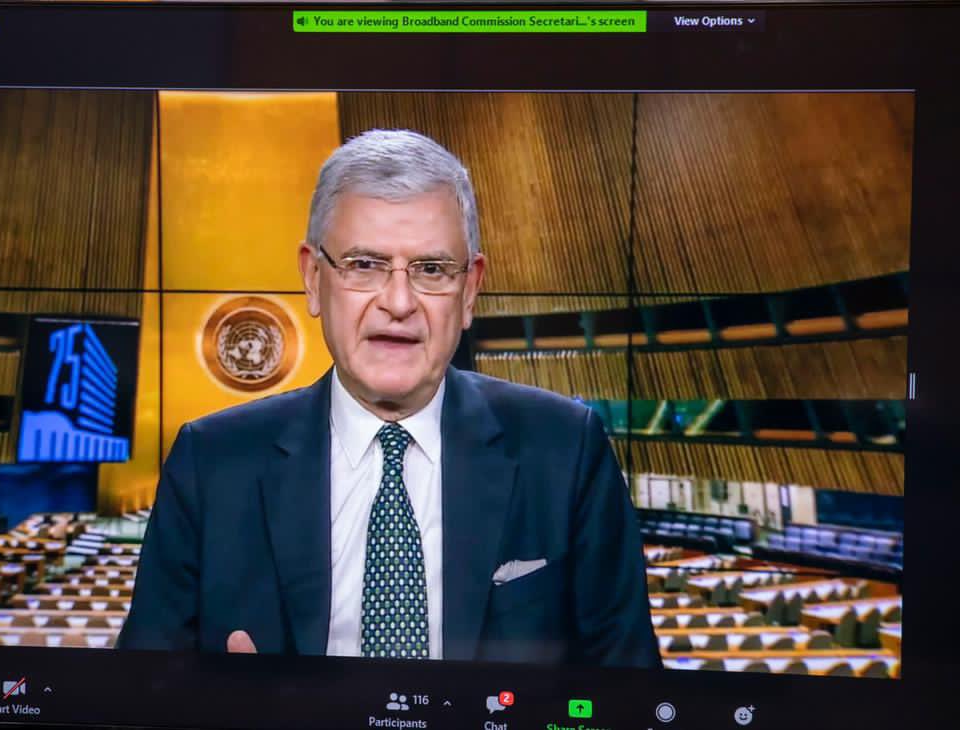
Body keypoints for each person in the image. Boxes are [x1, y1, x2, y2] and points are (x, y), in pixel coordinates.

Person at [116, 129, 660, 667]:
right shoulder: (211, 463)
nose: (398, 303)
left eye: (431, 270)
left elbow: (634, 694)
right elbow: (139, 696)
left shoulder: (566, 451)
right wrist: (222, 708)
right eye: (364, 264)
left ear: (470, 290)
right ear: (313, 278)